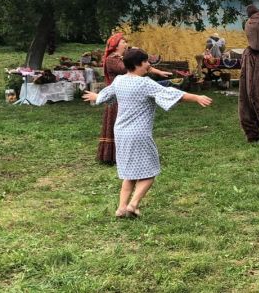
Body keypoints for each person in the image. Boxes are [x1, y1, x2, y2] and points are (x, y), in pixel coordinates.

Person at [83, 48, 212, 218]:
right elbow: (170, 94)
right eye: (146, 62)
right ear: (138, 64)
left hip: (120, 132)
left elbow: (106, 94)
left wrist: (96, 97)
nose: (148, 65)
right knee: (149, 172)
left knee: (129, 172)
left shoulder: (120, 80)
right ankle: (133, 205)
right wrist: (195, 97)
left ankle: (121, 208)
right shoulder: (145, 84)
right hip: (138, 134)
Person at [97, 34, 172, 165]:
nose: (125, 44)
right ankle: (113, 156)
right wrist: (134, 58)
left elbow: (137, 65)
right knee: (120, 126)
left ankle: (127, 154)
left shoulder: (122, 58)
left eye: (126, 41)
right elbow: (128, 68)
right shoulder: (111, 59)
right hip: (117, 95)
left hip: (129, 94)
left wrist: (158, 72)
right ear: (116, 45)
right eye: (123, 42)